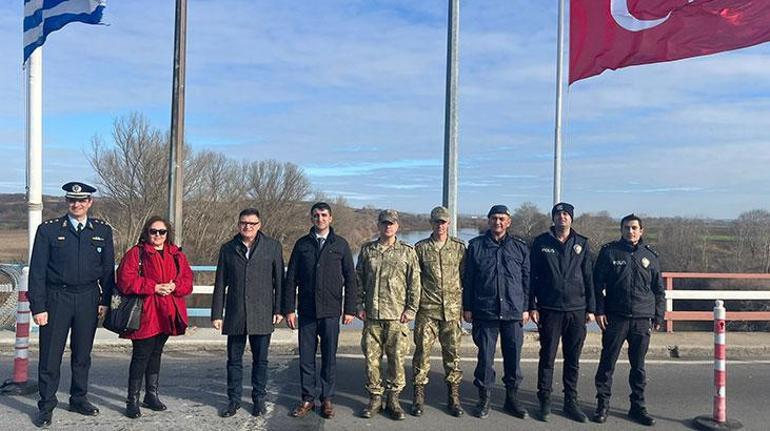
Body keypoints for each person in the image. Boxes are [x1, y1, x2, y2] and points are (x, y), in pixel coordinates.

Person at [28, 182, 115, 428]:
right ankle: (46, 406)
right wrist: (39, 307)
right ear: (67, 202)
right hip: (57, 298)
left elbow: (108, 271)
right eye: (72, 200)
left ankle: (78, 398)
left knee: (82, 355)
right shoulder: (49, 230)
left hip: (88, 298)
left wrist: (105, 301)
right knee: (50, 356)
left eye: (82, 200)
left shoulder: (102, 230)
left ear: (90, 202)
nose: (76, 204)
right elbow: (37, 271)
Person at [283, 202, 357, 419]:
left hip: (331, 311)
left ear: (331, 218)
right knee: (306, 358)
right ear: (311, 218)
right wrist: (289, 309)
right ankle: (307, 398)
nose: (320, 219)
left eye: (324, 215)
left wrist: (349, 309)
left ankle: (326, 399)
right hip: (306, 311)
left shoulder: (341, 245)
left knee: (328, 358)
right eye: (316, 215)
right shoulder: (302, 244)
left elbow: (351, 280)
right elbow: (291, 280)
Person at [116, 216, 193, 419]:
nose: (157, 235)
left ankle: (151, 394)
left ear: (168, 233)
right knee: (141, 355)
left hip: (167, 311)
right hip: (146, 312)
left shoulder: (176, 254)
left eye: (162, 232)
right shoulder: (137, 253)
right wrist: (154, 287)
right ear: (146, 232)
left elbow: (187, 281)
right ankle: (132, 399)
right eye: (153, 231)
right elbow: (125, 280)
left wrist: (175, 286)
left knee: (156, 353)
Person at [211, 208, 285, 418]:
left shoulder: (272, 247)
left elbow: (279, 280)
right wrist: (217, 314)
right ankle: (233, 400)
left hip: (262, 312)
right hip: (236, 313)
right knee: (234, 360)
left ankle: (258, 400)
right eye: (244, 223)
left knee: (260, 361)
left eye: (252, 224)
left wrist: (279, 309)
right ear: (238, 224)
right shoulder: (228, 248)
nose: (248, 227)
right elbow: (220, 283)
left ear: (259, 225)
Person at [592, 214, 665, 426]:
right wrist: (599, 311)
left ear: (641, 231)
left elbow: (658, 290)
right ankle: (602, 404)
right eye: (626, 228)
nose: (630, 231)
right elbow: (597, 286)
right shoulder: (609, 252)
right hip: (616, 318)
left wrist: (659, 314)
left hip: (642, 319)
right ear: (621, 230)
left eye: (634, 228)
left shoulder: (650, 256)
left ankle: (638, 406)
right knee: (607, 364)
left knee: (639, 367)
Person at [528, 202, 595, 422]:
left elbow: (589, 278)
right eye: (558, 214)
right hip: (549, 309)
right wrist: (532, 305)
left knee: (572, 358)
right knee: (547, 356)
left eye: (566, 214)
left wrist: (592, 308)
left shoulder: (582, 244)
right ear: (553, 218)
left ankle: (570, 402)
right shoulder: (541, 243)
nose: (562, 218)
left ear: (571, 219)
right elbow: (532, 278)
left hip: (576, 310)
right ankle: (545, 400)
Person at [463, 204, 530, 420]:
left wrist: (527, 307)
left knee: (513, 358)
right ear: (488, 221)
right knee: (485, 359)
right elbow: (469, 280)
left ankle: (512, 399)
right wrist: (468, 307)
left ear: (508, 221)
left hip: (513, 311)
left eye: (502, 219)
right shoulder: (476, 246)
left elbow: (527, 280)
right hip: (485, 311)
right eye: (494, 218)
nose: (498, 222)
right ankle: (484, 398)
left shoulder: (520, 247)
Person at [356, 209, 421, 421]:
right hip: (372, 316)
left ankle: (393, 399)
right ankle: (375, 398)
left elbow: (415, 283)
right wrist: (358, 305)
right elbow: (358, 281)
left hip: (396, 317)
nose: (388, 227)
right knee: (371, 361)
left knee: (396, 360)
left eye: (391, 223)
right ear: (379, 225)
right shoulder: (367, 250)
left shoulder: (407, 252)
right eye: (384, 223)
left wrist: (411, 309)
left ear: (397, 226)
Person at [411, 206, 465, 417]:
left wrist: (465, 307)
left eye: (443, 222)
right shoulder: (421, 248)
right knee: (422, 354)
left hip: (451, 311)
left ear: (448, 223)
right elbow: (415, 280)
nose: (440, 225)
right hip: (427, 311)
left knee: (453, 357)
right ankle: (418, 396)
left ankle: (454, 398)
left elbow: (465, 277)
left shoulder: (459, 248)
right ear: (431, 223)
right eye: (436, 222)